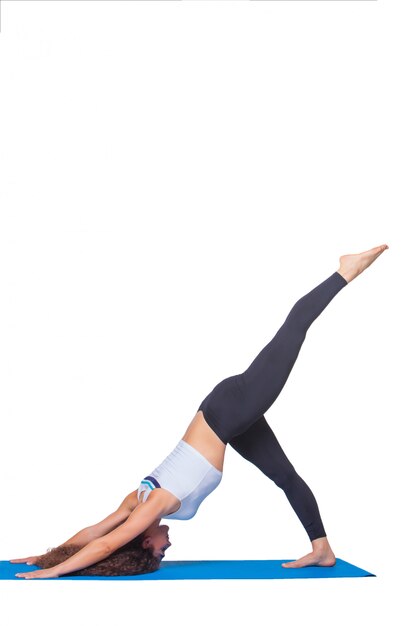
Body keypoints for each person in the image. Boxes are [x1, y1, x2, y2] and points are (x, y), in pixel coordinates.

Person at [12, 244, 389, 579]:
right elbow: (94, 531)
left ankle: (345, 271)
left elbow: (105, 545)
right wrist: (47, 556)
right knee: (286, 477)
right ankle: (322, 548)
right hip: (227, 421)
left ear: (143, 542)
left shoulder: (151, 506)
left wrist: (56, 570)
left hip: (229, 411)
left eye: (159, 550)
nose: (167, 547)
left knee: (291, 333)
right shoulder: (134, 501)